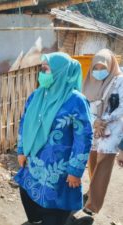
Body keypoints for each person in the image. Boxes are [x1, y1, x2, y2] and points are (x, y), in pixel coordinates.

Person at [14, 52, 93, 225]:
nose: (41, 74)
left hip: (59, 170)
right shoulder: (37, 95)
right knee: (31, 203)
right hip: (33, 164)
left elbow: (84, 137)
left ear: (60, 72)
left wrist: (75, 170)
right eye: (41, 69)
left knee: (55, 212)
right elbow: (24, 123)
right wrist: (21, 150)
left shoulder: (76, 100)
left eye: (46, 69)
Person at [83, 49, 123, 215]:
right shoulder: (89, 80)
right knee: (92, 162)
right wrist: (95, 121)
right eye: (96, 67)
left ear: (111, 65)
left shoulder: (119, 81)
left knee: (103, 166)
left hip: (111, 130)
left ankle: (93, 206)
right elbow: (85, 104)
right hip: (94, 128)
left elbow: (121, 106)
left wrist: (103, 120)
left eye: (103, 67)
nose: (99, 71)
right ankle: (93, 193)